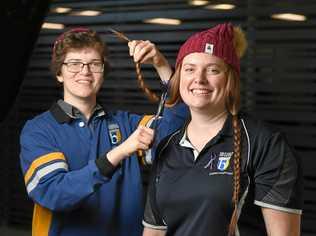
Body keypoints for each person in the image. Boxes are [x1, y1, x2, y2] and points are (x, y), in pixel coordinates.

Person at [19, 27, 188, 236]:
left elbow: (177, 129)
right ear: (59, 73)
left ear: (103, 72)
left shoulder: (125, 124)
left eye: (94, 64)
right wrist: (120, 152)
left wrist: (161, 65)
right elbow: (54, 193)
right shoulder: (39, 130)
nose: (85, 71)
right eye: (74, 64)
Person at [142, 22, 303, 236]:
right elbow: (154, 231)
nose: (199, 79)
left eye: (213, 70)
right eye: (190, 69)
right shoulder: (167, 146)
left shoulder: (266, 143)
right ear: (179, 78)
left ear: (231, 80)